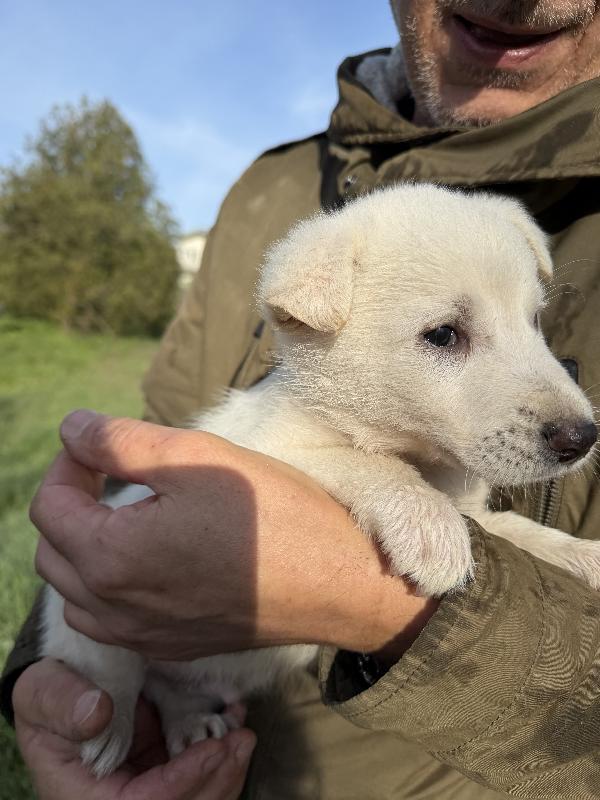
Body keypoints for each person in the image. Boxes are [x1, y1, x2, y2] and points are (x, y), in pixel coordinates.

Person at [4, 0, 600, 797]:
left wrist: (369, 595)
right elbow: (200, 485)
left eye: (529, 320)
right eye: (444, 337)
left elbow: (476, 531)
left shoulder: (493, 235)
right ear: (309, 324)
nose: (558, 401)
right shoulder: (276, 203)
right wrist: (45, 690)